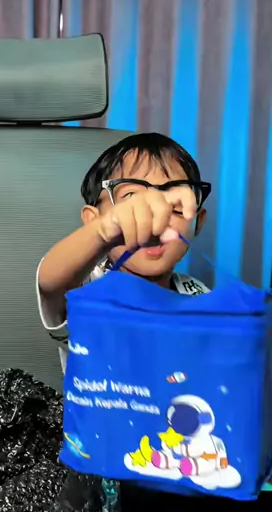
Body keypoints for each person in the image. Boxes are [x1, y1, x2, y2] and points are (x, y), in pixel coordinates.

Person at [37, 132, 212, 370]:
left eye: (174, 205)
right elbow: (50, 282)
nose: (154, 217)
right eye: (131, 197)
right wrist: (105, 231)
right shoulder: (88, 288)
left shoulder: (201, 298)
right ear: (93, 220)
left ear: (198, 222)